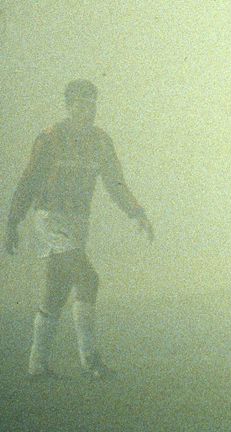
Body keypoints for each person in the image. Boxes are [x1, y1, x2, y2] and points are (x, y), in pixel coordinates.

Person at [5, 79, 154, 380]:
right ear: (69, 106)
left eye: (92, 104)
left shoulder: (101, 141)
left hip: (78, 222)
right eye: (81, 104)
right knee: (88, 279)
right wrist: (12, 221)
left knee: (56, 292)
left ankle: (37, 365)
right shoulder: (50, 138)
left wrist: (137, 212)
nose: (88, 110)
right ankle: (91, 361)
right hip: (50, 219)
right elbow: (29, 180)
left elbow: (115, 182)